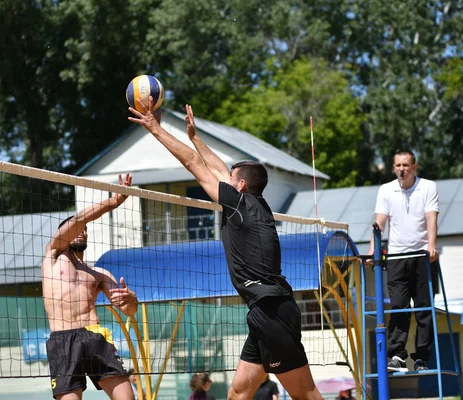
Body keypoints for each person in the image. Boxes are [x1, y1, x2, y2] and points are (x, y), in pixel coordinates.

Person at [129, 99, 323, 400]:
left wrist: (156, 129)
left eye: (232, 179)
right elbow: (219, 168)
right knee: (237, 393)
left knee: (307, 395)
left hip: (271, 312)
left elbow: (194, 164)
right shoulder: (254, 204)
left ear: (241, 185)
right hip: (265, 310)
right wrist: (195, 137)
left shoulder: (238, 205)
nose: (225, 180)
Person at [42, 173, 139, 400]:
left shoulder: (99, 273)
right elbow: (80, 220)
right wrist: (112, 202)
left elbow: (128, 311)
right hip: (63, 340)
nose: (82, 231)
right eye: (76, 229)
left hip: (95, 335)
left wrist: (131, 299)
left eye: (84, 230)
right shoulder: (53, 255)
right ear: (63, 235)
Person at [369, 150, 440, 373]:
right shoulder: (386, 190)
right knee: (398, 306)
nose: (401, 169)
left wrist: (431, 245)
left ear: (414, 167)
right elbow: (379, 223)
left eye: (406, 165)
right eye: (398, 165)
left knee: (424, 309)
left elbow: (431, 217)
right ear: (393, 168)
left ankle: (421, 357)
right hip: (397, 257)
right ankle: (397, 356)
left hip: (421, 256)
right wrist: (373, 251)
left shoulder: (428, 187)